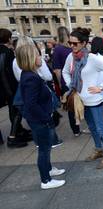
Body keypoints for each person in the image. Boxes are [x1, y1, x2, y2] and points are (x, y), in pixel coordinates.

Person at [63, 27, 103, 169]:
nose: (72, 46)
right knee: (91, 127)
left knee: (100, 128)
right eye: (70, 43)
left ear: (84, 43)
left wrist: (102, 87)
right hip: (80, 100)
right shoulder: (71, 58)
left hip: (94, 100)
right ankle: (98, 150)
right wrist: (71, 84)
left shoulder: (92, 58)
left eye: (75, 43)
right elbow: (65, 72)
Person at [16, 44, 66, 189]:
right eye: (38, 55)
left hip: (39, 118)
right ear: (30, 58)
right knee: (44, 149)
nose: (41, 58)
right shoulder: (30, 78)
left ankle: (49, 169)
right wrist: (46, 118)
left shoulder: (30, 75)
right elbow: (31, 104)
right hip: (39, 120)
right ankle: (46, 180)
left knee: (46, 147)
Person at [0, 28, 31, 148]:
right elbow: (11, 72)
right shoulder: (7, 53)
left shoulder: (5, 52)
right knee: (16, 111)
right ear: (8, 39)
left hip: (5, 87)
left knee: (13, 110)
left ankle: (19, 131)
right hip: (10, 87)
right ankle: (13, 137)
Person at [53, 26, 80, 136]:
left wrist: (60, 84)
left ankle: (75, 130)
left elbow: (58, 70)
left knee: (70, 106)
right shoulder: (72, 48)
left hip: (67, 82)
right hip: (78, 81)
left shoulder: (58, 49)